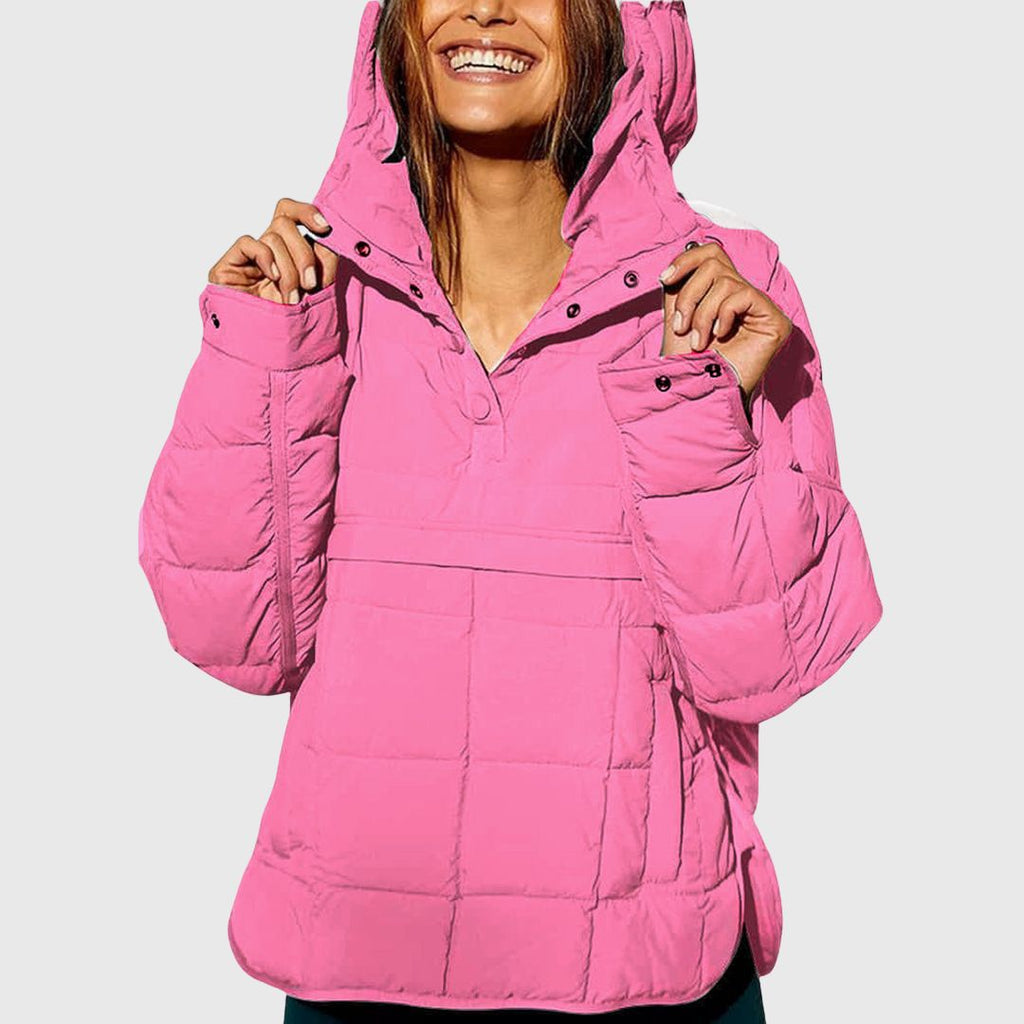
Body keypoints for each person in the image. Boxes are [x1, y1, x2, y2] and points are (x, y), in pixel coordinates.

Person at [137, 1, 883, 1021]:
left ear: (623, 27)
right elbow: (234, 640)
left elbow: (768, 662)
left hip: (650, 976)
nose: (485, 6)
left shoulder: (723, 289)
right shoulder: (316, 289)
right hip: (360, 966)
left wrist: (696, 406)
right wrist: (264, 358)